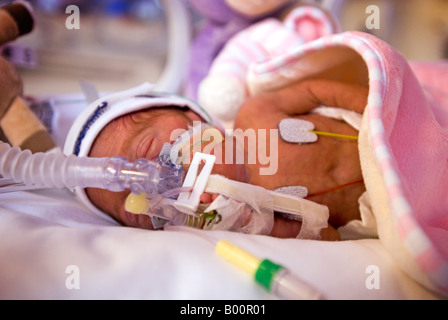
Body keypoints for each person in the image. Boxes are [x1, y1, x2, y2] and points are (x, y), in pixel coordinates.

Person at [75, 79, 368, 241]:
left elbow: (314, 90)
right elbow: (330, 238)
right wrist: (254, 225)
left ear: (194, 119)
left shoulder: (256, 115)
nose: (157, 187)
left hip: (381, 130)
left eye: (148, 151)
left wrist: (376, 108)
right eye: (136, 209)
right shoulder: (260, 220)